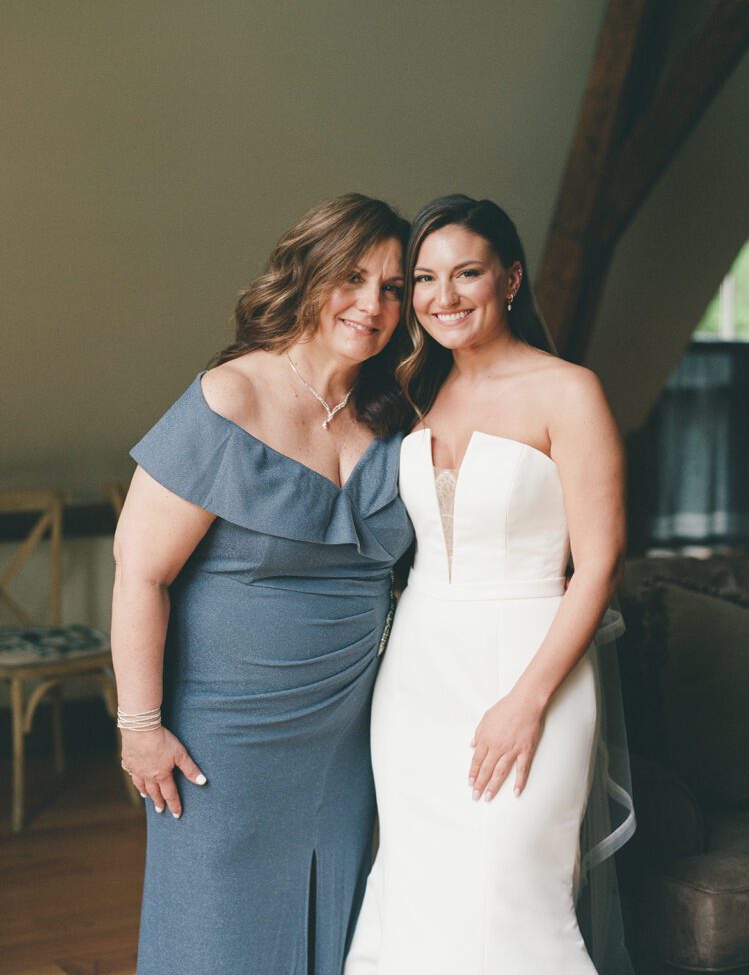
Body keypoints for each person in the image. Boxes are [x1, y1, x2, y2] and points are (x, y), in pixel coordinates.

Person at [111, 193, 415, 975]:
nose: (371, 304)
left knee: (334, 934)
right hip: (226, 741)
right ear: (309, 273)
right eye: (352, 277)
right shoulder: (231, 397)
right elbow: (140, 572)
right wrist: (140, 727)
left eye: (392, 287)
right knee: (212, 938)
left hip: (347, 742)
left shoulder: (396, 416)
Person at [345, 195, 635, 974]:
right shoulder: (408, 390)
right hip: (416, 672)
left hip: (530, 660)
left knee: (513, 888)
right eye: (426, 279)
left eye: (467, 273)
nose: (445, 297)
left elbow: (599, 565)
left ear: (509, 279)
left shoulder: (569, 392)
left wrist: (525, 701)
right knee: (412, 884)